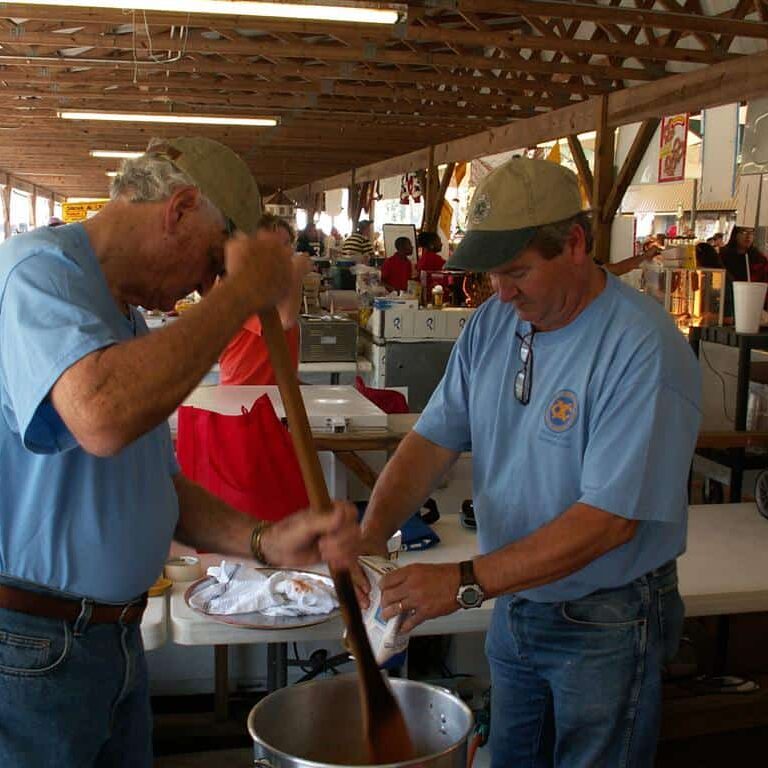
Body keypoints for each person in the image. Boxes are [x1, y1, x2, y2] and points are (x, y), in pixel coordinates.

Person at [0, 136, 360, 767]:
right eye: (216, 259)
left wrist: (262, 541)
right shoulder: (37, 272)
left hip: (111, 643)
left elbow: (159, 489)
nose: (210, 283)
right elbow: (101, 417)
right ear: (180, 208)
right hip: (34, 648)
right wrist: (237, 296)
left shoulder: (126, 319)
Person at [355, 158, 701, 767]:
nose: (502, 291)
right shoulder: (493, 324)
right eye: (494, 273)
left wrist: (464, 581)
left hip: (606, 619)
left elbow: (609, 520)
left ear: (574, 244)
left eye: (517, 272)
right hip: (516, 600)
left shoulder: (641, 348)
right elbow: (432, 440)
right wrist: (367, 537)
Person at [219, 213, 310, 385]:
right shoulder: (237, 286)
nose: (287, 252)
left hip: (273, 397)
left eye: (287, 244)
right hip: (242, 399)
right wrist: (296, 271)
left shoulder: (277, 287)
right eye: (272, 246)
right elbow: (284, 319)